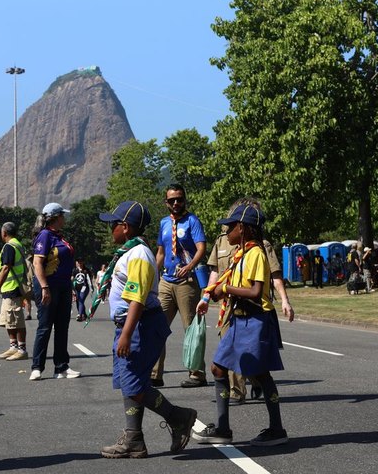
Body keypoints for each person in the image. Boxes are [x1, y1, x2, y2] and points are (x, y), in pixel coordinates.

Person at [92, 201, 197, 458]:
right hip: (132, 323)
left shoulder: (138, 255)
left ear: (125, 227)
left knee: (134, 385)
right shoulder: (130, 252)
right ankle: (134, 439)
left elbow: (137, 298)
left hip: (140, 325)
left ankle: (178, 417)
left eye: (113, 224)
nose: (111, 229)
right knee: (131, 382)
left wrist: (126, 334)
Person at [192, 204, 289, 446]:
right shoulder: (241, 253)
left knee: (259, 373)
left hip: (255, 319)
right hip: (239, 319)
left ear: (243, 229)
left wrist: (224, 289)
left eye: (231, 227)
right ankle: (223, 428)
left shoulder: (256, 253)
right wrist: (214, 294)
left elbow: (256, 292)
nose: (227, 232)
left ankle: (277, 429)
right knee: (218, 368)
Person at [152, 184, 207, 388]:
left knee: (191, 329)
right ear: (166, 202)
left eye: (180, 199)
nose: (176, 203)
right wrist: (153, 277)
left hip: (187, 282)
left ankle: (197, 374)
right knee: (157, 327)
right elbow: (160, 253)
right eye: (172, 200)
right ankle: (155, 374)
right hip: (166, 281)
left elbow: (201, 248)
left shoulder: (192, 221)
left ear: (184, 200)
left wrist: (190, 266)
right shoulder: (164, 223)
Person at [29, 203, 80, 381]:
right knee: (45, 326)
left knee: (62, 327)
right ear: (56, 217)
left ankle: (61, 368)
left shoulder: (59, 236)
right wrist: (44, 287)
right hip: (49, 285)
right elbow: (37, 263)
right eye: (62, 216)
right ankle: (37, 367)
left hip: (64, 285)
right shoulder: (45, 235)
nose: (64, 218)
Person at [0, 222, 29, 361]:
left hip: (13, 287)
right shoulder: (17, 244)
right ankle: (13, 347)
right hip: (11, 287)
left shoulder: (9, 246)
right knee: (9, 319)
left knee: (16, 320)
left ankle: (22, 349)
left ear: (4, 233)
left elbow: (6, 268)